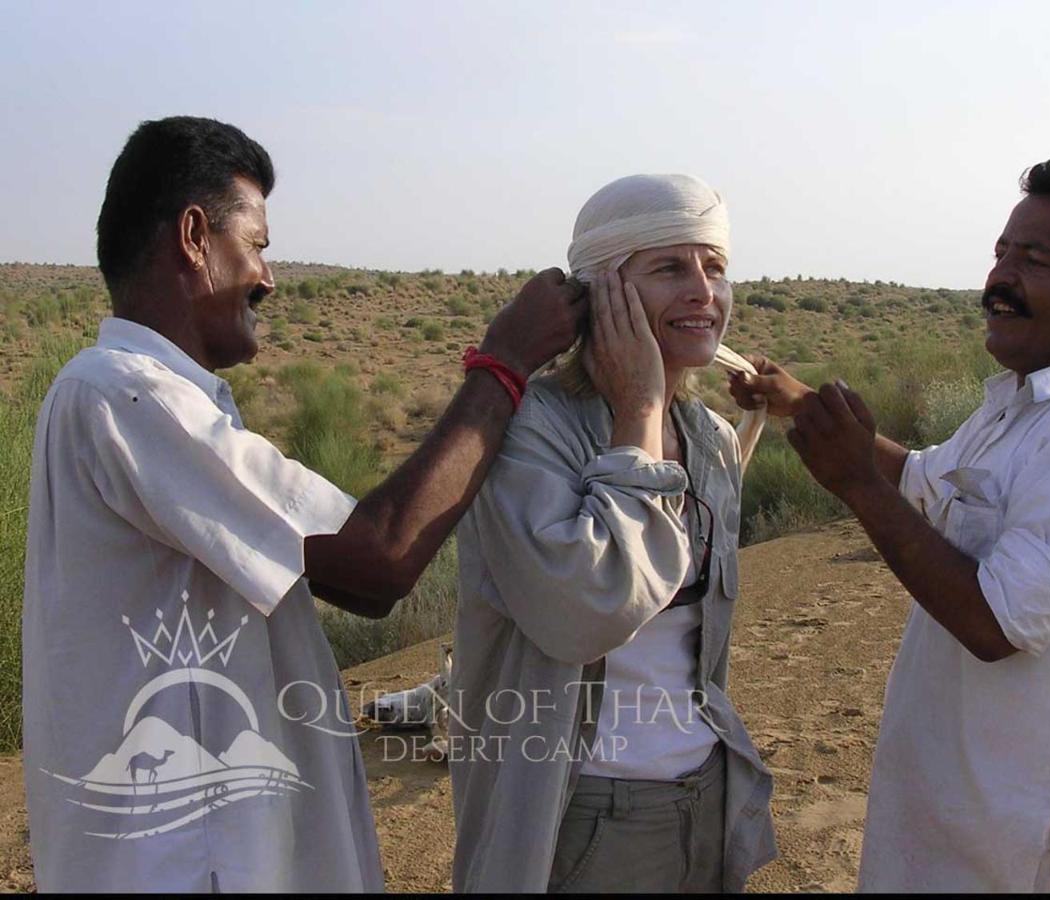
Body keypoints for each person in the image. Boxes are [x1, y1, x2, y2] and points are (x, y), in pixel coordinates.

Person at [21, 115, 585, 893]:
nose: (270, 278)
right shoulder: (126, 393)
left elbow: (356, 578)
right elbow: (378, 558)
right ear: (193, 236)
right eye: (256, 245)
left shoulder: (142, 399)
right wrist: (507, 363)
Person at [729, 157, 1050, 892]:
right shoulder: (1018, 402)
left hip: (1027, 836)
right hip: (957, 815)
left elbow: (996, 625)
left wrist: (851, 482)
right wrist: (798, 404)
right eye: (1002, 252)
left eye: (1033, 260)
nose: (999, 278)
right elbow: (922, 481)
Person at [448, 174, 778, 892]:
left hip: (704, 790)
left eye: (715, 268)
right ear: (602, 291)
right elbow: (586, 608)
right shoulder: (529, 428)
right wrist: (638, 411)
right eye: (668, 268)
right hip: (582, 809)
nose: (703, 291)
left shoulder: (711, 437)